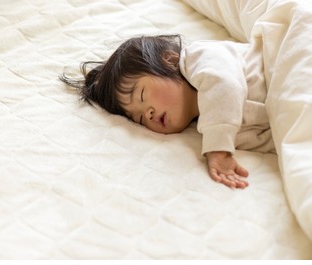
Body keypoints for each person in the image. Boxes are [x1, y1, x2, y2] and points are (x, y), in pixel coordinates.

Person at [60, 34, 275, 189]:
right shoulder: (206, 124)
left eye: (142, 96)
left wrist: (218, 149)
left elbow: (224, 85)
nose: (149, 114)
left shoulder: (199, 57)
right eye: (140, 118)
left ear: (170, 60)